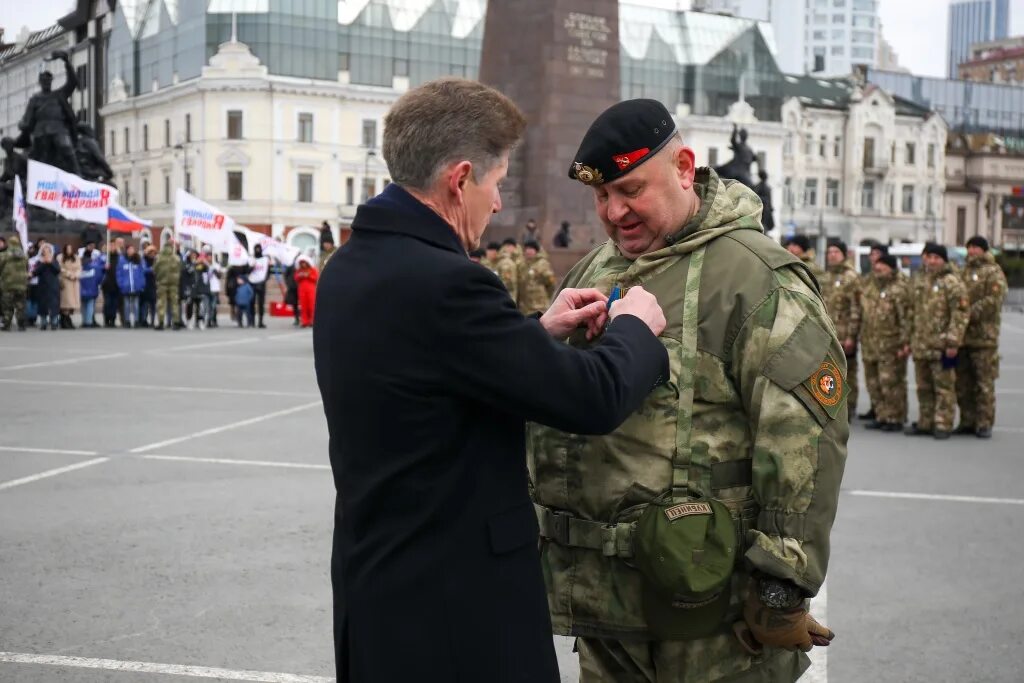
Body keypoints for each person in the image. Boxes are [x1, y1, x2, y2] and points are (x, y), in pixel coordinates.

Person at [313, 78, 670, 683]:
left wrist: (535, 331)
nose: (499, 203)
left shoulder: (350, 266)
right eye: (497, 182)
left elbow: (436, 369)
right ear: (459, 181)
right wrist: (636, 328)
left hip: (380, 591)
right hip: (456, 613)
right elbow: (591, 397)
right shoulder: (449, 284)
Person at [531, 98, 845, 682]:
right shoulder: (594, 271)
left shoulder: (754, 279)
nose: (613, 212)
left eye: (630, 190)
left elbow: (804, 439)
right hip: (606, 605)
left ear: (683, 168)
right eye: (601, 197)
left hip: (711, 611)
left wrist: (782, 583)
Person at [905, 243, 969, 439]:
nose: (932, 261)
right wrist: (909, 338)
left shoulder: (951, 282)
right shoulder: (919, 281)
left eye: (937, 258)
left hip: (942, 346)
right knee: (923, 387)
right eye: (929, 257)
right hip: (921, 345)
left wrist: (953, 342)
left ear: (943, 260)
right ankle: (926, 421)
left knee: (944, 387)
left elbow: (960, 314)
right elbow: (911, 312)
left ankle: (943, 422)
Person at [956, 235, 1008, 439]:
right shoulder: (963, 272)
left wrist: (968, 311)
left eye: (976, 248)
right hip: (963, 336)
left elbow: (994, 300)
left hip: (984, 338)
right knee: (963, 383)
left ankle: (984, 422)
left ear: (984, 250)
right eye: (970, 248)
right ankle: (967, 421)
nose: (972, 251)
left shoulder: (993, 272)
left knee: (984, 383)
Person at [860, 254, 912, 431]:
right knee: (874, 382)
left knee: (891, 382)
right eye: (877, 264)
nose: (878, 267)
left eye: (883, 265)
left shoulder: (899, 289)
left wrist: (905, 342)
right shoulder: (870, 287)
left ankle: (895, 417)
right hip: (870, 343)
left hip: (891, 344)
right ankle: (882, 415)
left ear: (891, 267)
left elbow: (906, 318)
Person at [821, 240, 861, 421]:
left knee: (847, 373)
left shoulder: (850, 277)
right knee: (828, 371)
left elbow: (855, 307)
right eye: (829, 252)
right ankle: (831, 406)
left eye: (836, 252)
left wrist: (852, 335)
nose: (832, 255)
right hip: (827, 334)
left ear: (844, 254)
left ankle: (849, 408)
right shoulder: (825, 276)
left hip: (844, 335)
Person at [857, 241, 889, 421]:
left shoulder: (891, 280)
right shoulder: (867, 280)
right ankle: (876, 408)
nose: (873, 257)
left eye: (877, 253)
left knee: (887, 379)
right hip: (869, 336)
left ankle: (888, 414)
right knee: (872, 378)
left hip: (887, 338)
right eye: (872, 254)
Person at [517, 240, 556, 316]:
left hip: (539, 306)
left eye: (531, 249)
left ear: (536, 251)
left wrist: (547, 297)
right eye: (527, 249)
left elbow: (551, 283)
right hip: (524, 307)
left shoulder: (542, 264)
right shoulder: (522, 265)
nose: (528, 251)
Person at [0, 234, 28, 331]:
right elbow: (27, 267)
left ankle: (7, 325)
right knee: (21, 306)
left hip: (8, 284)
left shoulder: (4, 255)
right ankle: (22, 325)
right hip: (22, 284)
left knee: (7, 306)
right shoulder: (24, 256)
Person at [116, 244, 147, 328]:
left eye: (132, 249)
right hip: (126, 287)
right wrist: (121, 284)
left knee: (136, 305)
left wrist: (141, 284)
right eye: (129, 249)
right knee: (126, 305)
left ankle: (136, 321)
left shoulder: (138, 260)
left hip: (136, 286)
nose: (131, 251)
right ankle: (127, 321)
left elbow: (141, 274)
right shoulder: (122, 261)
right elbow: (119, 274)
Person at [153, 241, 181, 330]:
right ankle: (176, 322)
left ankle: (161, 322)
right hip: (173, 283)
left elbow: (155, 269)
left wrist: (159, 277)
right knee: (174, 303)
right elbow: (179, 269)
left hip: (162, 283)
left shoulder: (159, 258)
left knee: (161, 303)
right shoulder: (176, 258)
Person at [33, 243, 61, 330]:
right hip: (42, 286)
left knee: (54, 305)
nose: (46, 252)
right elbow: (35, 272)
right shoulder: (39, 262)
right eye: (44, 251)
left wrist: (50, 263)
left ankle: (54, 323)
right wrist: (44, 263)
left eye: (48, 250)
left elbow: (57, 270)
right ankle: (43, 323)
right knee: (42, 305)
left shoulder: (55, 261)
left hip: (53, 286)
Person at [78, 243, 103, 328]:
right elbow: (99, 277)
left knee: (83, 305)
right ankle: (88, 321)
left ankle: (84, 320)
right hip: (92, 288)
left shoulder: (79, 265)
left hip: (81, 287)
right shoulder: (95, 266)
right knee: (90, 305)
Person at [57, 243, 81, 329]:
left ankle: (67, 319)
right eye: (67, 249)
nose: (69, 251)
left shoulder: (76, 257)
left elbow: (79, 268)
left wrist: (76, 275)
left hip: (74, 282)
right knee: (66, 302)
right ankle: (65, 319)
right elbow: (60, 269)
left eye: (70, 249)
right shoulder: (60, 257)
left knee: (72, 303)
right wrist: (69, 274)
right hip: (65, 281)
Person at [248, 244, 270, 328]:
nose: (257, 250)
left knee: (261, 303)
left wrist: (264, 279)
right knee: (251, 302)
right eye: (256, 248)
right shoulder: (251, 259)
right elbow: (247, 271)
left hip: (261, 283)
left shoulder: (265, 259)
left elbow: (268, 271)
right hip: (252, 282)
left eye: (259, 248)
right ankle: (252, 321)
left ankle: (260, 321)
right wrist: (252, 266)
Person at [101, 242, 122, 327]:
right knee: (107, 303)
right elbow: (99, 268)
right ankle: (107, 319)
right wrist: (103, 267)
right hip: (107, 284)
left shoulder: (119, 258)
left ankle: (113, 319)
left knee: (114, 303)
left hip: (116, 284)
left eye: (114, 246)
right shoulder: (104, 257)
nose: (112, 247)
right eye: (111, 246)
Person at [294, 255, 317, 328]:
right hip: (302, 290)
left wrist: (308, 276)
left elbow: (315, 278)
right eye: (301, 263)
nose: (303, 264)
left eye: (304, 263)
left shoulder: (312, 270)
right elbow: (296, 278)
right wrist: (300, 276)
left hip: (311, 290)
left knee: (311, 306)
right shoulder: (299, 271)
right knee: (303, 306)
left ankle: (312, 321)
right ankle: (304, 321)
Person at [138, 244, 158, 328]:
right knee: (144, 304)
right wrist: (151, 269)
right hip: (145, 285)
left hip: (153, 285)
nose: (152, 254)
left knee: (153, 305)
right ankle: (144, 320)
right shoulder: (143, 260)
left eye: (153, 252)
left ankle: (153, 320)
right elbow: (143, 269)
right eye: (150, 252)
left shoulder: (156, 261)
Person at [207, 250, 223, 328]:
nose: (209, 258)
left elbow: (220, 276)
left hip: (215, 288)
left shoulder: (216, 265)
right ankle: (209, 320)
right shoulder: (205, 265)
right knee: (208, 306)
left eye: (211, 257)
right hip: (207, 288)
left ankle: (214, 320)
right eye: (208, 257)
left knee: (213, 306)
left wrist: (215, 271)